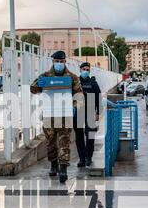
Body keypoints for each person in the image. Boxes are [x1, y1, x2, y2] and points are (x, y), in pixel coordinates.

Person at [30, 51, 83, 183]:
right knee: (51, 143)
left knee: (64, 142)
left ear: (65, 62)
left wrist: (75, 106)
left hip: (65, 115)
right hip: (49, 115)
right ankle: (54, 165)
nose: (59, 64)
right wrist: (39, 85)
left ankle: (63, 169)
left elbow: (79, 95)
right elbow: (32, 89)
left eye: (61, 61)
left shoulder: (72, 77)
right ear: (53, 62)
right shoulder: (45, 76)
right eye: (57, 61)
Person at [74, 62, 102, 168]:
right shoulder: (76, 82)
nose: (86, 71)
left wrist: (98, 113)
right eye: (84, 69)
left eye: (87, 69)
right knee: (79, 136)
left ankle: (89, 157)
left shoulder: (93, 83)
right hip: (78, 112)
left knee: (90, 135)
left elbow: (98, 98)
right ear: (80, 70)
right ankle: (81, 158)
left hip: (90, 111)